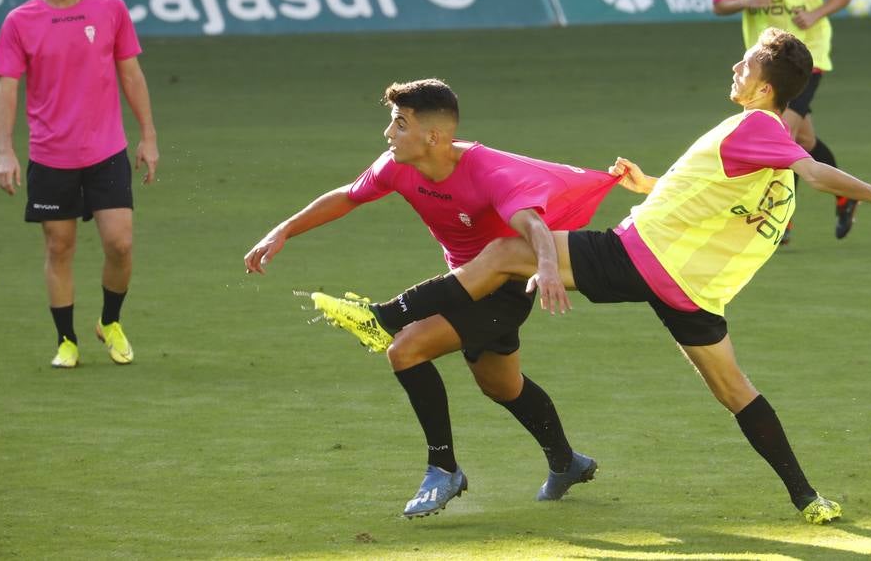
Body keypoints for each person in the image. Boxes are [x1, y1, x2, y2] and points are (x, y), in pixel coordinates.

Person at [312, 29, 871, 524]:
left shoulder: (758, 125)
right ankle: (808, 499)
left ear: (766, 84)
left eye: (745, 65)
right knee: (735, 390)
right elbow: (712, 191)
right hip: (691, 290)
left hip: (637, 256)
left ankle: (383, 319)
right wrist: (651, 185)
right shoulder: (752, 137)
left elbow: (812, 169)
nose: (735, 70)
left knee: (506, 252)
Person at [243, 79, 620, 517]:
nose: (389, 134)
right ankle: (566, 462)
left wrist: (550, 267)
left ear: (433, 136)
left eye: (399, 125)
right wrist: (283, 230)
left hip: (504, 289)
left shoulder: (487, 170)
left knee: (405, 350)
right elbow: (347, 197)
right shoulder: (396, 165)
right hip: (459, 282)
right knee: (501, 385)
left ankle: (443, 468)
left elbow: (532, 223)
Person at [0, 0, 159, 369]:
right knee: (59, 248)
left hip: (106, 151)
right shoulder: (19, 21)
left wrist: (149, 135)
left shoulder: (110, 10)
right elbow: (7, 89)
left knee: (120, 245)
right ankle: (66, 340)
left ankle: (110, 321)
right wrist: (5, 151)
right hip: (50, 157)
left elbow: (131, 74)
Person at [712, 0, 855, 244]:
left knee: (781, 134)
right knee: (804, 138)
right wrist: (747, 2)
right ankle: (846, 194)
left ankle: (779, 218)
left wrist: (817, 13)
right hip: (766, 66)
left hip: (808, 61)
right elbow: (719, 2)